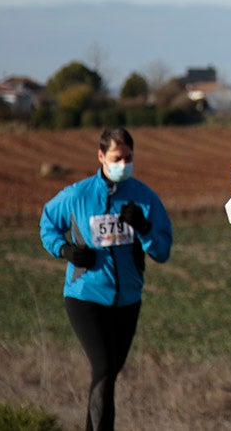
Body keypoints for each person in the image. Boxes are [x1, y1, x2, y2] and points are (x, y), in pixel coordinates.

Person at [39, 127, 172, 431]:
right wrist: (66, 250)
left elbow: (163, 251)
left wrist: (144, 227)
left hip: (128, 300)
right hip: (85, 295)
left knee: (110, 373)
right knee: (104, 366)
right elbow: (48, 223)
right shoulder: (77, 195)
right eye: (117, 158)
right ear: (101, 156)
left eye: (128, 158)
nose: (123, 164)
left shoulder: (144, 197)